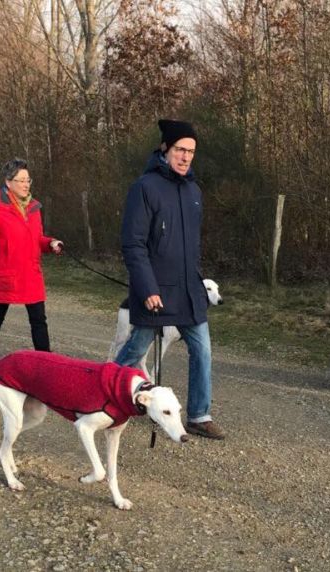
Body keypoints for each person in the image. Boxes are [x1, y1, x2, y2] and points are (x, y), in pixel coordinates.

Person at [114, 119, 224, 440]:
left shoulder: (194, 190)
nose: (186, 156)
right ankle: (105, 393)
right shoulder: (144, 188)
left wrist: (198, 280)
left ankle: (199, 415)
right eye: (179, 149)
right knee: (136, 349)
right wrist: (147, 288)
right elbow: (133, 244)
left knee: (202, 350)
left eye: (191, 151)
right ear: (165, 148)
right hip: (156, 291)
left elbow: (192, 246)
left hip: (189, 290)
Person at [0, 158, 63, 367]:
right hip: (6, 273)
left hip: (31, 273)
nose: (26, 184)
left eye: (28, 180)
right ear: (8, 182)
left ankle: (45, 358)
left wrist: (51, 243)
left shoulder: (34, 208)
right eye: (21, 180)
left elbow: (37, 239)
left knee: (38, 318)